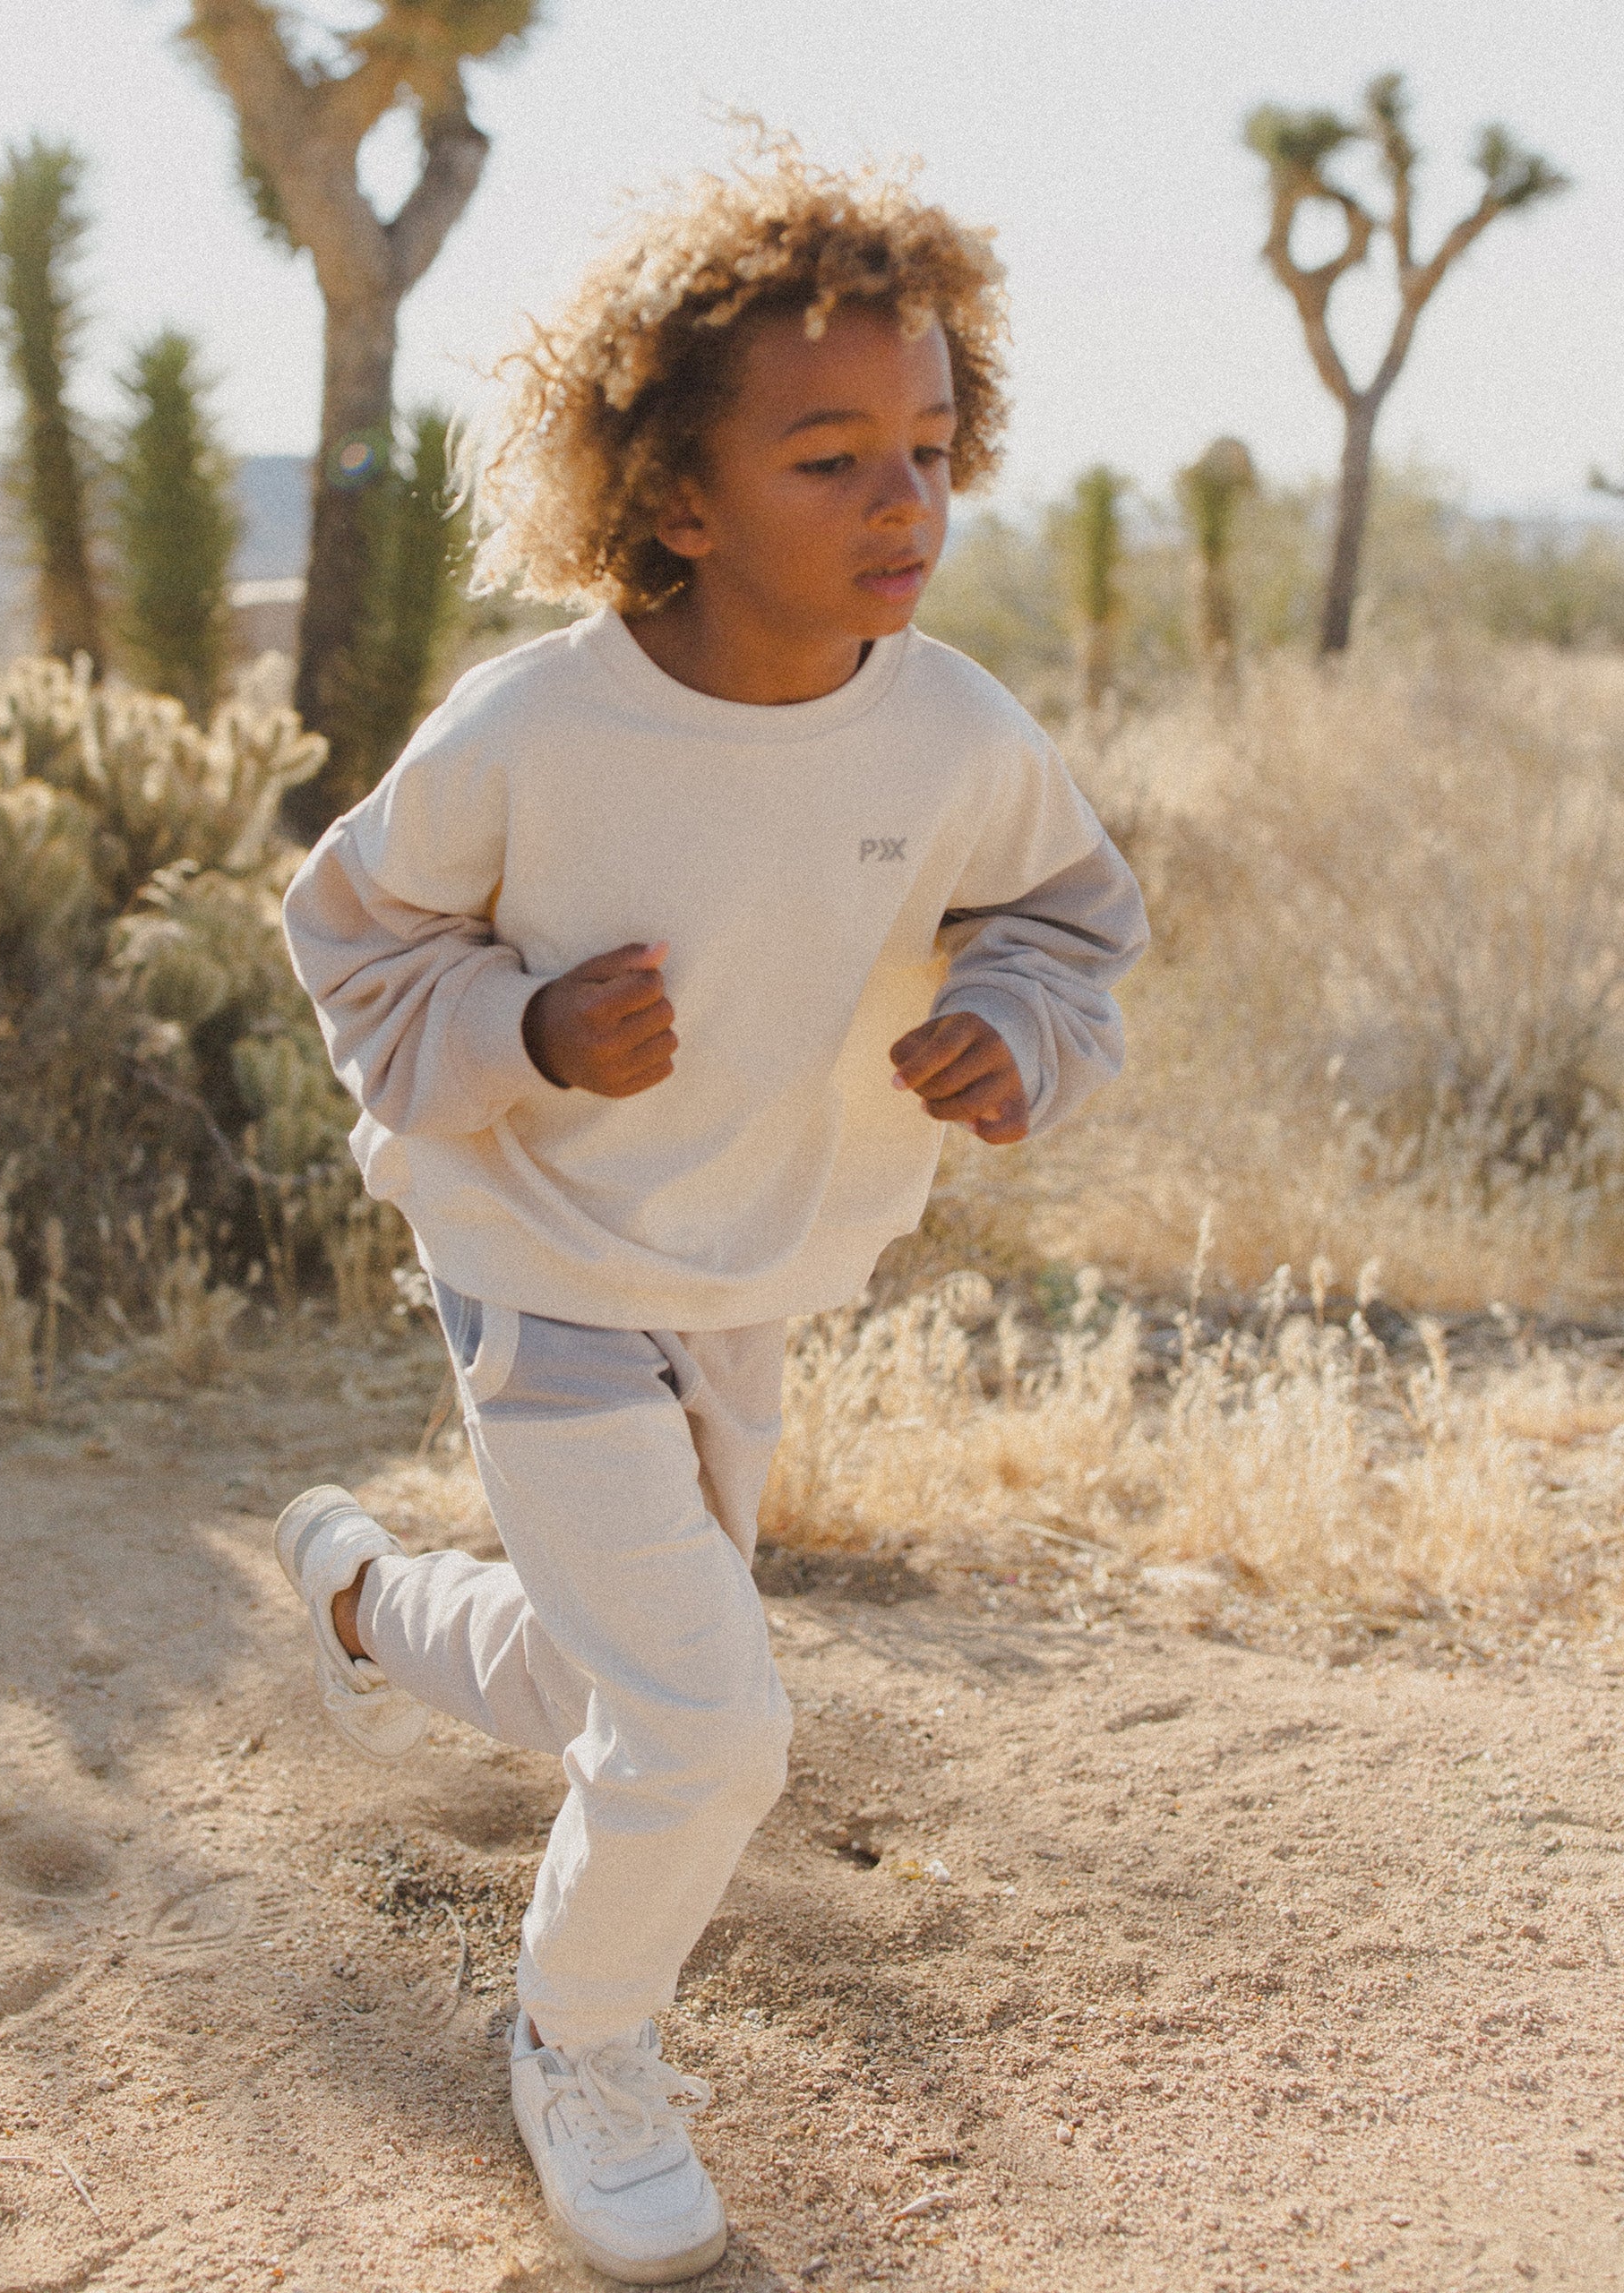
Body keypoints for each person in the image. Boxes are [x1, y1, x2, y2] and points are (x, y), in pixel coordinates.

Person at [275, 141, 1148, 2286]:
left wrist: (1016, 1033)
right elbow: (350, 932)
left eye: (930, 449)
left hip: (749, 1262)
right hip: (536, 1251)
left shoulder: (951, 729)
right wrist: (530, 1029)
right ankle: (582, 2040)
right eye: (829, 456)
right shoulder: (539, 723)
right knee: (704, 1720)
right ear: (672, 495)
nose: (901, 505)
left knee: (613, 1673)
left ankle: (376, 1607)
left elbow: (1070, 914)